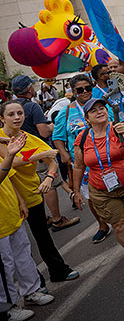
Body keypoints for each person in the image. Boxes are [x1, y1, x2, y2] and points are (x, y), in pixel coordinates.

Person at [0, 101, 80, 286]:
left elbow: (52, 159)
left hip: (32, 195)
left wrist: (49, 178)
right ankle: (34, 284)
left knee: (42, 238)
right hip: (11, 199)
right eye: (11, 114)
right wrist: (34, 157)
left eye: (20, 113)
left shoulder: (30, 138)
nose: (17, 117)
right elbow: (11, 160)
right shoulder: (1, 138)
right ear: (2, 118)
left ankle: (58, 271)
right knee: (17, 247)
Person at [72, 98, 124, 274]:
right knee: (119, 224)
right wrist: (76, 191)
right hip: (101, 190)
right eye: (93, 111)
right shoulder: (82, 138)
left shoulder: (118, 127)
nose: (99, 112)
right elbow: (78, 166)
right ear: (87, 118)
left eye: (102, 108)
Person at [0, 134, 56, 321]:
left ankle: (31, 292)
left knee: (22, 253)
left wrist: (19, 200)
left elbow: (8, 177)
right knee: (4, 265)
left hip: (9, 211)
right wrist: (9, 155)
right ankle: (7, 308)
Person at [53, 74, 112, 243]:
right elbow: (58, 137)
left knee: (114, 191)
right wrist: (63, 153)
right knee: (92, 197)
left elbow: (114, 125)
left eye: (88, 88)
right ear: (73, 91)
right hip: (83, 164)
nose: (85, 92)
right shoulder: (65, 112)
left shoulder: (101, 105)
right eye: (80, 89)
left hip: (107, 159)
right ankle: (102, 225)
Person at [11, 75, 53, 141]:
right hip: (37, 147)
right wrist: (52, 126)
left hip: (17, 147)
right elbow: (44, 133)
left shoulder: (8, 106)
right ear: (29, 89)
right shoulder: (33, 106)